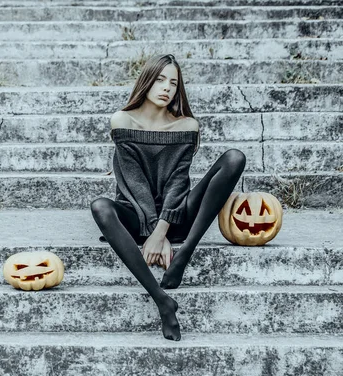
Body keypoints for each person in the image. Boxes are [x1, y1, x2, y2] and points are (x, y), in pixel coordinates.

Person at [90, 54, 246, 341]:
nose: (166, 88)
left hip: (178, 216)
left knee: (234, 158)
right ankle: (162, 300)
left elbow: (178, 182)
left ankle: (184, 253)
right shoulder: (122, 120)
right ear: (146, 82)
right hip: (135, 215)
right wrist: (152, 233)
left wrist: (163, 232)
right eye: (160, 80)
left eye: (173, 83)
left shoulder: (186, 126)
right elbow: (133, 183)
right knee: (100, 207)